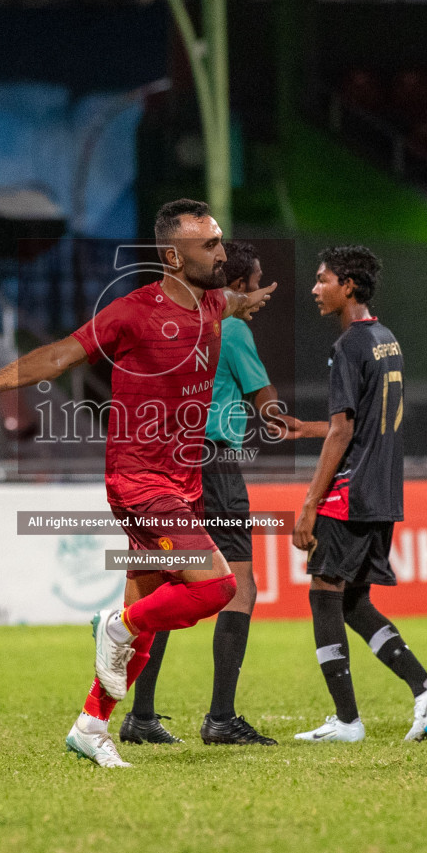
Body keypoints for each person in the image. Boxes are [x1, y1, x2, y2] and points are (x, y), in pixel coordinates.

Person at [0, 199, 274, 768]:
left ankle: (92, 724)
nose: (221, 252)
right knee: (215, 587)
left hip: (182, 481)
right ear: (172, 254)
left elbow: (229, 302)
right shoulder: (133, 312)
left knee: (145, 606)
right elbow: (61, 355)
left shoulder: (213, 303)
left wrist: (247, 300)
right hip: (138, 480)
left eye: (219, 241)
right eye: (208, 244)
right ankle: (115, 626)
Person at [121, 241, 303, 748]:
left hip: (163, 466)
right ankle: (221, 717)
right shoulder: (234, 328)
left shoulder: (172, 321)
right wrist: (319, 430)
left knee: (162, 587)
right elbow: (270, 412)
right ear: (239, 285)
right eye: (259, 281)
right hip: (215, 466)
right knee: (240, 587)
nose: (265, 292)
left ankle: (140, 716)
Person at [289, 246, 427, 744]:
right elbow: (362, 423)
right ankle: (426, 686)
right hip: (382, 489)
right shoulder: (386, 340)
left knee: (324, 593)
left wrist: (309, 504)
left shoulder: (348, 347)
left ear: (349, 286)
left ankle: (346, 721)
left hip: (350, 491)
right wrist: (308, 429)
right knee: (353, 600)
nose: (315, 289)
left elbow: (343, 433)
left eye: (323, 280)